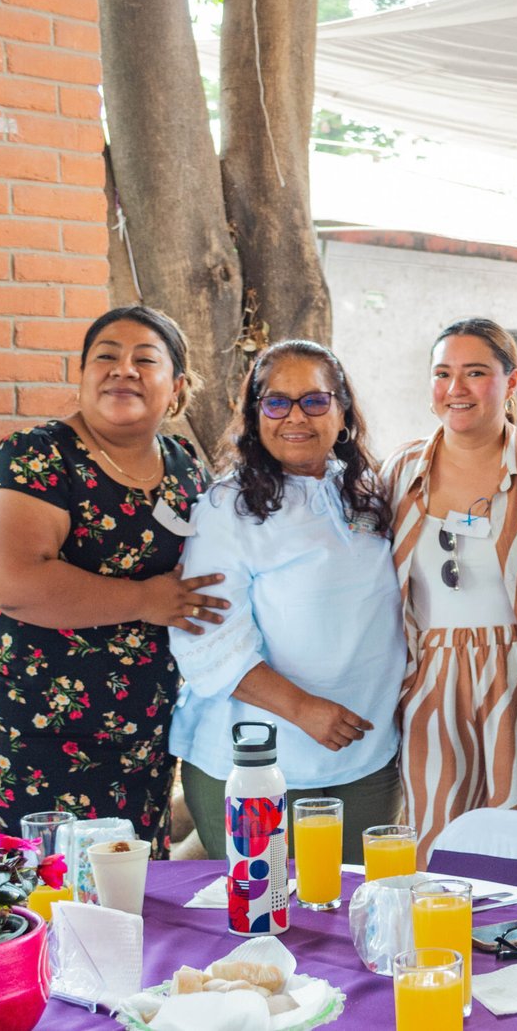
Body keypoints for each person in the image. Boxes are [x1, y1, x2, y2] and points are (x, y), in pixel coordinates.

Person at [0, 305, 227, 852]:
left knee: (135, 893)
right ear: (82, 377)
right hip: (46, 730)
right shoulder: (37, 457)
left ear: (176, 388)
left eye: (145, 360)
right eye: (105, 357)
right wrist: (144, 600)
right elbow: (8, 580)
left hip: (146, 733)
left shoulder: (183, 465)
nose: (123, 369)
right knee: (52, 893)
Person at [168, 340, 403, 863]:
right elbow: (206, 640)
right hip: (255, 763)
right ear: (255, 417)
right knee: (264, 916)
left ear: (342, 413)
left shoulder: (369, 492)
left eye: (315, 401)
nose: (296, 416)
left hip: (365, 760)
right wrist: (304, 710)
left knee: (350, 914)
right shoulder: (225, 508)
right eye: (276, 402)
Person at [381, 318, 517, 863]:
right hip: (431, 677)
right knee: (437, 839)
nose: (456, 388)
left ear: (512, 381)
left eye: (475, 373)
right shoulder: (401, 471)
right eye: (443, 373)